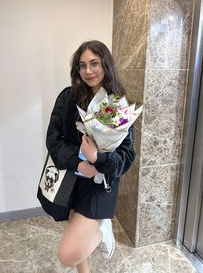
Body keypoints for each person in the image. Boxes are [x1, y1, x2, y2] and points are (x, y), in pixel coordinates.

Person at [43, 40, 135, 273]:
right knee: (76, 239)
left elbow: (126, 154)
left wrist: (98, 160)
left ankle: (104, 229)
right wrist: (79, 163)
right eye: (82, 66)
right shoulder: (68, 98)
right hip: (72, 179)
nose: (88, 71)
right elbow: (53, 140)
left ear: (106, 65)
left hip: (100, 183)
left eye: (94, 63)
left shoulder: (117, 104)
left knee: (67, 254)